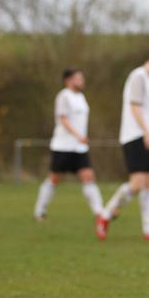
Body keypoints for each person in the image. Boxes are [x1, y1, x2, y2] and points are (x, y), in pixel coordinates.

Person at [96, 47, 149, 241]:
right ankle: (105, 216)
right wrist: (146, 133)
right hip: (135, 135)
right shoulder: (138, 76)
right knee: (137, 183)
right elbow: (135, 106)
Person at [33, 69, 105, 223]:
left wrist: (80, 139)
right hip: (63, 146)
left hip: (79, 148)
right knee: (54, 179)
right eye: (78, 78)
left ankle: (100, 212)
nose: (82, 81)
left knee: (88, 176)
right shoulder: (63, 96)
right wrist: (79, 136)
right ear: (68, 80)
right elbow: (63, 120)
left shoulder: (81, 97)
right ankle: (40, 210)